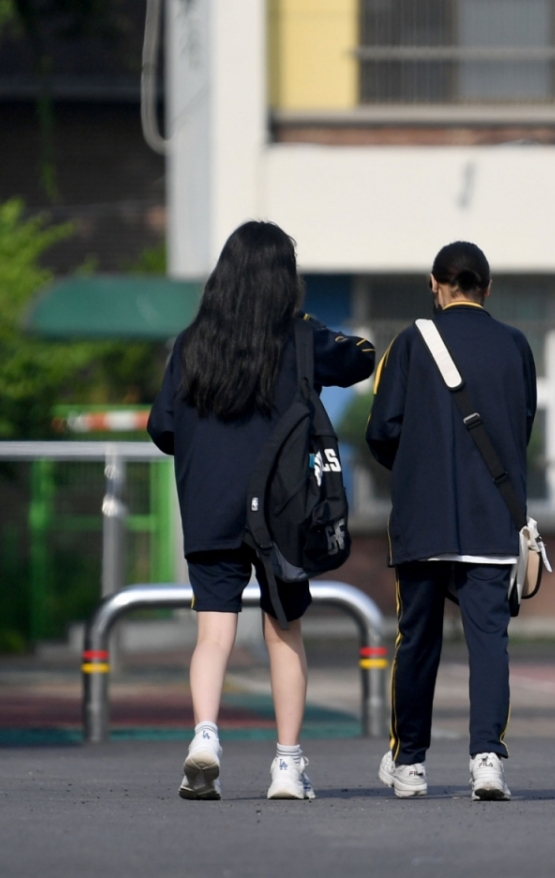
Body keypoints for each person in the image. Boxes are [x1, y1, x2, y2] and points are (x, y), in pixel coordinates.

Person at [148, 221, 375, 801]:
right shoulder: (299, 339)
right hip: (281, 511)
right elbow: (361, 361)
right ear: (284, 280)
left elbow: (162, 428)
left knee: (213, 634)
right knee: (284, 632)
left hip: (209, 507)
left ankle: (204, 738)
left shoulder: (191, 342)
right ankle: (286, 765)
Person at [366, 241, 537, 801]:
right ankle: (487, 759)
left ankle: (410, 762)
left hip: (423, 520)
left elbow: (380, 431)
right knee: (490, 641)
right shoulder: (515, 346)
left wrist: (418, 467)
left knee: (417, 640)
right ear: (487, 288)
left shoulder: (410, 343)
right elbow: (521, 426)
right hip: (492, 520)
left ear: (435, 285)